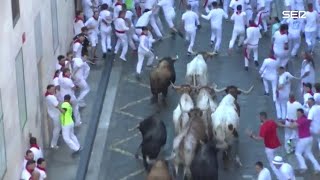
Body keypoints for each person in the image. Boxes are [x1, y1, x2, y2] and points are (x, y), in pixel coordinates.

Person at [280, 108, 320, 173]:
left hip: (303, 139)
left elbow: (292, 126)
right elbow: (295, 122)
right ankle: (317, 167)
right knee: (309, 153)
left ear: (302, 113)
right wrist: (289, 120)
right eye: (297, 113)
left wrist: (282, 125)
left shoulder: (301, 120)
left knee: (298, 153)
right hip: (309, 138)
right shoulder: (305, 119)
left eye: (298, 113)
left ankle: (303, 167)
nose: (297, 114)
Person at [247, 112, 282, 178]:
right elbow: (277, 125)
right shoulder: (272, 122)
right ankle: (282, 173)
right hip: (277, 145)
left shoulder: (264, 126)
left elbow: (260, 138)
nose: (259, 118)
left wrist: (252, 136)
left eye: (260, 117)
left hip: (269, 148)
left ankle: (280, 177)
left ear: (262, 117)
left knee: (273, 164)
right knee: (278, 161)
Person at [45, 84, 63, 149]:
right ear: (48, 90)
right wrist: (63, 112)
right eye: (52, 89)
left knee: (58, 128)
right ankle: (53, 144)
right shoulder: (51, 97)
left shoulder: (49, 96)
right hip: (55, 114)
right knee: (57, 129)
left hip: (53, 113)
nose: (53, 90)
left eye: (54, 89)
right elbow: (57, 106)